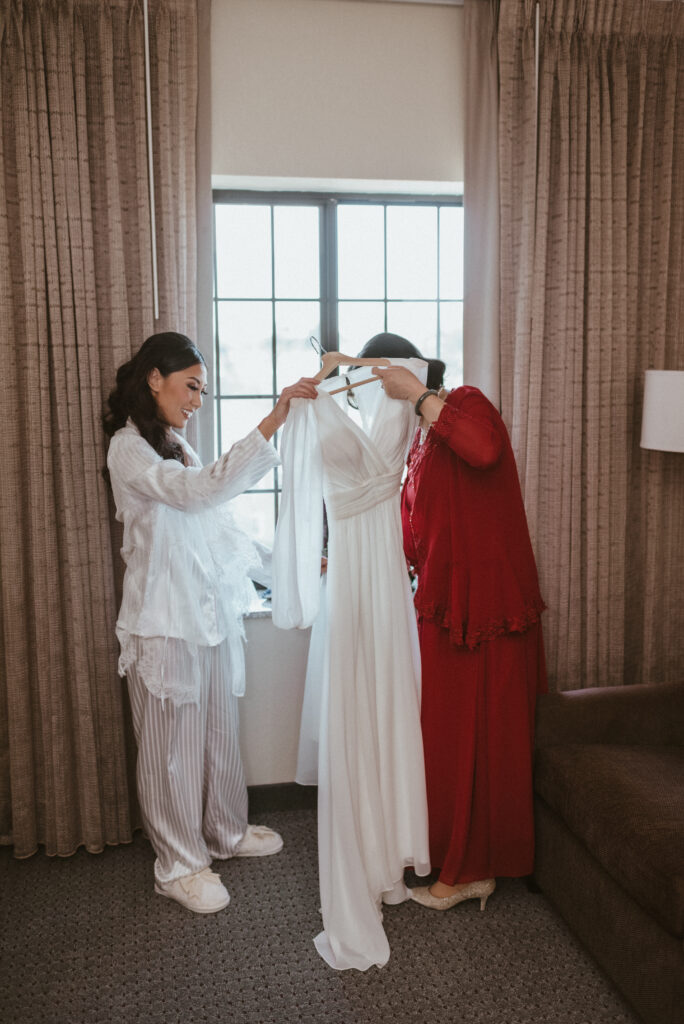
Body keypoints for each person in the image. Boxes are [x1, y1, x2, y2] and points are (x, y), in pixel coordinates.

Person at [102, 331, 318, 914]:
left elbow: (222, 526)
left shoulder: (176, 444)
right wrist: (273, 420)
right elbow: (198, 495)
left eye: (202, 390)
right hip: (163, 620)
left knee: (221, 733)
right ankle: (176, 865)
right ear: (155, 378)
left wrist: (296, 562)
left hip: (209, 614)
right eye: (192, 387)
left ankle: (224, 831)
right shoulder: (130, 450)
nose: (198, 400)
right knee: (170, 749)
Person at [361, 332, 547, 911]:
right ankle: (452, 854)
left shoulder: (467, 403)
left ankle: (474, 869)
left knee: (481, 739)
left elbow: (485, 450)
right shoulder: (417, 446)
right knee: (443, 738)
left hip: (486, 605)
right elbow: (414, 531)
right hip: (443, 605)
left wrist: (417, 395)